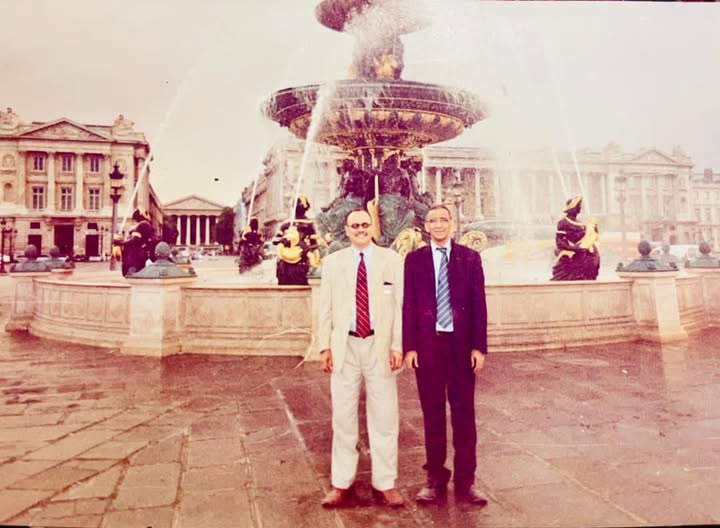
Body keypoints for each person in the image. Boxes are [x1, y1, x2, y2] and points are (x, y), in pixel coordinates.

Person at [317, 208, 405, 508]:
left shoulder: (392, 260)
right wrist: (324, 347)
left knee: (385, 416)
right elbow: (324, 308)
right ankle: (342, 484)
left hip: (380, 345)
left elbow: (400, 306)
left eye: (365, 224)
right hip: (346, 346)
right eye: (354, 225)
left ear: (373, 227)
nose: (360, 229)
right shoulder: (333, 262)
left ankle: (385, 483)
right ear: (346, 229)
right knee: (343, 417)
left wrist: (397, 345)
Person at [402, 204, 489, 506]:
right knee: (433, 415)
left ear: (452, 224)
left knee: (464, 416)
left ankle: (466, 481)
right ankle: (435, 478)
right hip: (428, 347)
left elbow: (479, 305)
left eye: (443, 219)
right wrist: (410, 346)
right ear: (425, 226)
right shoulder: (414, 260)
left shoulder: (469, 258)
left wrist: (478, 347)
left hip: (461, 347)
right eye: (432, 220)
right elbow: (409, 304)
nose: (438, 224)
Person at [550, 195, 600, 281]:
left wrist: (594, 229)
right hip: (578, 252)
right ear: (573, 207)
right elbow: (559, 242)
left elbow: (591, 236)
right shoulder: (563, 222)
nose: (580, 208)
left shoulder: (580, 222)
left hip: (588, 252)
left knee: (589, 274)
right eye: (579, 206)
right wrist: (575, 249)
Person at [273, 194, 320, 285]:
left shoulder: (308, 224)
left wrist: (307, 249)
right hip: (287, 261)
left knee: (297, 285)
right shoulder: (287, 224)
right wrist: (283, 240)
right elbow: (275, 241)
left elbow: (314, 244)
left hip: (299, 261)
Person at [116, 209, 155, 277]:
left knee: (133, 274)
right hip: (137, 254)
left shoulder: (143, 224)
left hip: (135, 255)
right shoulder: (144, 224)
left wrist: (121, 242)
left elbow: (134, 240)